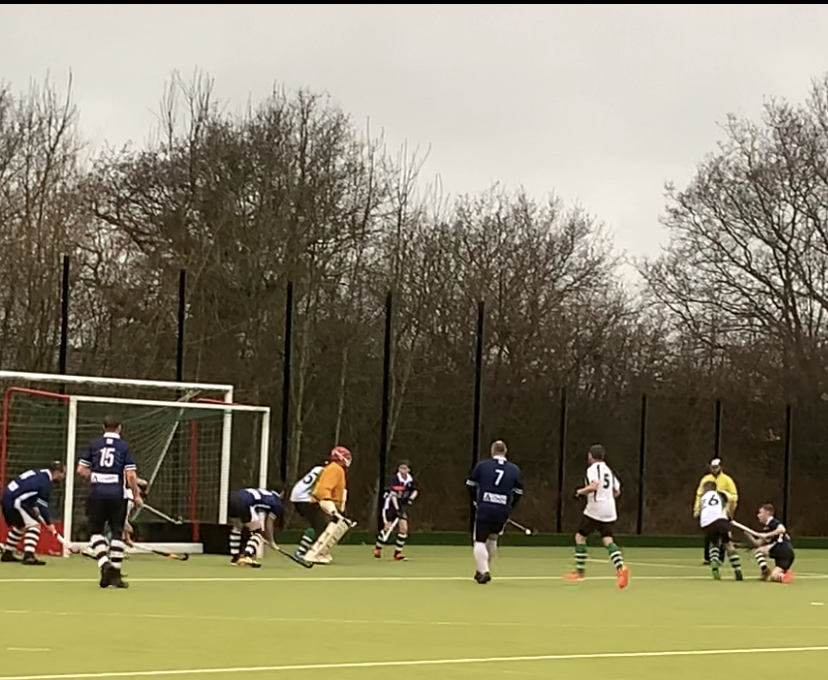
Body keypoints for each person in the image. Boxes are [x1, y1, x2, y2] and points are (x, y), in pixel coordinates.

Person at [77, 416, 142, 588]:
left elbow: (81, 469)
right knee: (117, 532)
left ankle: (104, 564)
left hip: (96, 494)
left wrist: (96, 477)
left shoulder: (94, 444)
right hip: (116, 494)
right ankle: (116, 574)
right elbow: (131, 475)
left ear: (103, 427)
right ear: (119, 428)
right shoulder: (123, 446)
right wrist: (136, 496)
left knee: (96, 532)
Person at [565, 444, 629, 589]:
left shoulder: (593, 469)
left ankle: (579, 573)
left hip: (596, 509)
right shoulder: (608, 471)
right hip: (610, 510)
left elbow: (594, 486)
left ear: (590, 456)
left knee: (580, 536)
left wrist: (580, 492)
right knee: (607, 539)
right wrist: (607, 497)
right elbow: (617, 491)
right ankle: (621, 568)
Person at [465, 440, 523, 584]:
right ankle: (481, 569)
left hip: (485, 507)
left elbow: (470, 485)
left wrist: (475, 501)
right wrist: (509, 506)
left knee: (479, 540)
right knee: (492, 538)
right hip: (502, 510)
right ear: (505, 451)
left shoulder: (483, 465)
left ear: (492, 451)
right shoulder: (514, 469)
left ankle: (484, 570)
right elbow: (518, 492)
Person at [1, 462, 67, 565]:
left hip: (8, 498)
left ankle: (8, 553)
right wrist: (49, 523)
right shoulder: (46, 483)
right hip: (16, 501)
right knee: (34, 526)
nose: (63, 477)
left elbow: (29, 492)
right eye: (63, 474)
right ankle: (29, 555)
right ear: (57, 472)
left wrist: (34, 507)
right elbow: (42, 507)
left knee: (21, 525)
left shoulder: (39, 473)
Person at [303, 446, 352, 564]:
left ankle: (322, 552)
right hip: (324, 502)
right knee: (332, 529)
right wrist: (330, 506)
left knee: (333, 529)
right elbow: (323, 489)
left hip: (326, 502)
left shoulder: (337, 469)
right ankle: (314, 554)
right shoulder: (335, 469)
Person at [694, 459, 738, 565]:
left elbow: (733, 496)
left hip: (722, 511)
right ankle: (708, 558)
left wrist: (730, 510)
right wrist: (697, 509)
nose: (714, 469)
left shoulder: (727, 480)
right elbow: (699, 495)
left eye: (716, 467)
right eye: (712, 467)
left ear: (720, 467)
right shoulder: (706, 479)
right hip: (709, 512)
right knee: (709, 535)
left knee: (723, 536)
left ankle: (720, 558)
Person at [698, 481, 743, 580]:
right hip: (720, 520)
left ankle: (714, 560)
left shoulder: (703, 499)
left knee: (713, 543)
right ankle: (737, 569)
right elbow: (731, 499)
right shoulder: (720, 493)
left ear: (705, 489)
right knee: (728, 544)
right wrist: (729, 514)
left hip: (706, 524)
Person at [374, 460, 419, 561]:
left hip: (402, 506)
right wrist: (397, 509)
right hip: (390, 506)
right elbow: (393, 495)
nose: (403, 470)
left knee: (404, 528)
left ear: (408, 470)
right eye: (401, 468)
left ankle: (397, 553)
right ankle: (378, 548)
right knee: (387, 527)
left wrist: (410, 499)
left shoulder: (410, 481)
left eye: (405, 468)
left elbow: (415, 491)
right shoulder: (394, 479)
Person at [228, 488, 284, 567]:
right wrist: (271, 541)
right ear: (281, 494)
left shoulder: (264, 493)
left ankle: (235, 557)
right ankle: (247, 556)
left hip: (232, 498)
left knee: (237, 527)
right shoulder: (277, 502)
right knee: (258, 532)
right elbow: (269, 522)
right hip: (245, 503)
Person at [748, 503, 795, 584]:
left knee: (758, 551)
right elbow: (758, 543)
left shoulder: (772, 522)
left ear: (767, 513)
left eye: (760, 513)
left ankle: (765, 570)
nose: (758, 515)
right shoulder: (768, 527)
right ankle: (784, 575)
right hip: (788, 553)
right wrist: (748, 534)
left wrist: (766, 535)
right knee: (774, 576)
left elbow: (782, 529)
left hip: (782, 548)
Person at [289, 462, 326, 558]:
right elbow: (320, 488)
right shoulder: (324, 471)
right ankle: (301, 552)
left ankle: (308, 550)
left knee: (318, 524)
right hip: (304, 498)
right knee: (318, 525)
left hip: (297, 496)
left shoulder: (317, 468)